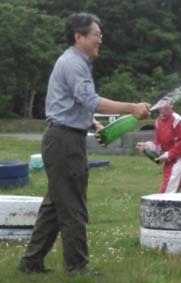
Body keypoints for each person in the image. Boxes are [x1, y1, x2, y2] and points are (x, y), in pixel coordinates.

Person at [18, 12, 150, 275]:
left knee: (56, 205)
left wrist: (93, 123)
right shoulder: (73, 63)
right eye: (96, 35)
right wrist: (132, 108)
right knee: (73, 205)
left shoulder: (76, 62)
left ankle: (31, 263)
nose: (100, 40)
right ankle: (77, 267)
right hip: (64, 141)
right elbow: (91, 100)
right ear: (79, 37)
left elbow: (72, 102)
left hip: (63, 137)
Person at [136, 92, 181, 193]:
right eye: (162, 103)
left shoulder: (178, 121)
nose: (164, 106)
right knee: (168, 195)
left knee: (166, 194)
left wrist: (166, 155)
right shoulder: (158, 122)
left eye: (167, 103)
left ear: (172, 104)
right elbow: (157, 144)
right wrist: (146, 146)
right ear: (158, 106)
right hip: (168, 163)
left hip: (179, 162)